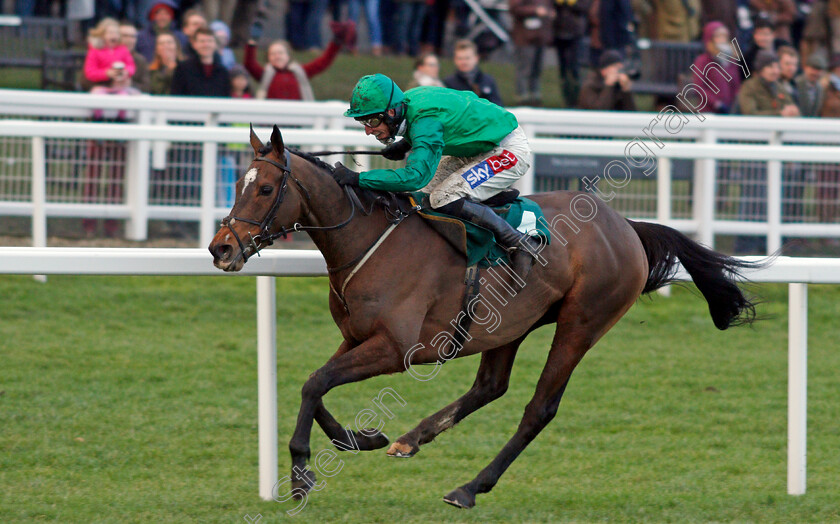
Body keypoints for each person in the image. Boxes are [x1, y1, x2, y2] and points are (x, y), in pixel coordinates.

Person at [333, 74, 540, 279]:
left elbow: (415, 176)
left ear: (391, 111)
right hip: (476, 146)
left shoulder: (425, 121)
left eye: (373, 120)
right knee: (422, 196)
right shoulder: (407, 101)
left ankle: (519, 242)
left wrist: (358, 178)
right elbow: (442, 119)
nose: (369, 130)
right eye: (363, 122)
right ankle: (484, 199)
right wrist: (405, 144)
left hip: (507, 150)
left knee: (443, 198)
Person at [243, 21, 355, 100]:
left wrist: (335, 43)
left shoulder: (300, 72)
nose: (277, 56)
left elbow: (322, 62)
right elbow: (249, 64)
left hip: (297, 119)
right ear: (268, 58)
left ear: (288, 56)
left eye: (280, 53)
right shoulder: (265, 74)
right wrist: (252, 42)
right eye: (273, 54)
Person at [509, 0, 555, 106]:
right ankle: (522, 96)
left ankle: (535, 95)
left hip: (541, 36)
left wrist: (549, 12)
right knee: (524, 68)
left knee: (537, 69)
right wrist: (534, 11)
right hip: (525, 37)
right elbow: (514, 9)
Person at [690, 21, 742, 114]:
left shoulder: (732, 60)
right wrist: (716, 103)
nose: (722, 39)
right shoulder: (703, 60)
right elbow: (698, 87)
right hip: (708, 111)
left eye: (724, 36)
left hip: (729, 110)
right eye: (718, 36)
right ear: (710, 38)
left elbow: (736, 85)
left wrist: (734, 104)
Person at [170, 26, 231, 96]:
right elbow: (176, 95)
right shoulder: (183, 69)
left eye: (210, 41)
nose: (206, 45)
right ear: (194, 44)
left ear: (215, 44)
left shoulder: (223, 72)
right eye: (202, 41)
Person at [443, 39, 504, 106]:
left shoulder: (488, 80)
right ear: (455, 60)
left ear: (476, 58)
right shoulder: (448, 83)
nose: (463, 62)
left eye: (467, 58)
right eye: (460, 58)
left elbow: (498, 106)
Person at [737, 50, 799, 115]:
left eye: (777, 67)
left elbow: (789, 104)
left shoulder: (779, 87)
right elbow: (750, 113)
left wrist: (793, 111)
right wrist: (780, 114)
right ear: (761, 69)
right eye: (770, 67)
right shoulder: (749, 87)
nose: (775, 71)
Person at [553, 0, 591, 107]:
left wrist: (572, 3)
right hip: (560, 32)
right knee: (563, 70)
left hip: (576, 33)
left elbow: (586, 7)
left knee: (575, 68)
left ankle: (578, 98)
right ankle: (567, 98)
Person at [120, 22, 151, 93]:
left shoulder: (140, 60)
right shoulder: (105, 55)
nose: (130, 40)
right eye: (125, 36)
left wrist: (130, 84)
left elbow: (147, 87)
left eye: (133, 36)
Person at [795, 51, 827, 116]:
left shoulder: (820, 88)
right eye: (813, 68)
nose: (815, 72)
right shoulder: (796, 83)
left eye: (819, 70)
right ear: (805, 68)